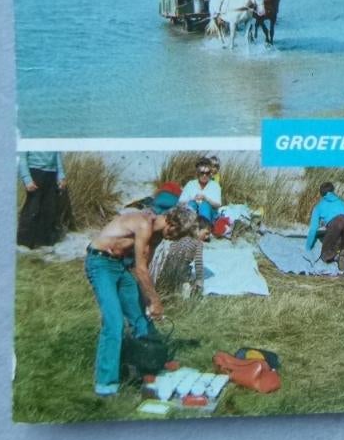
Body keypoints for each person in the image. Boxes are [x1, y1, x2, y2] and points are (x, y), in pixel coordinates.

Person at [84, 204, 197, 396]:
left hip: (119, 266)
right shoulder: (144, 224)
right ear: (172, 223)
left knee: (141, 319)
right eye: (176, 234)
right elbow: (140, 269)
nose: (174, 239)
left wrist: (147, 302)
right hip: (100, 262)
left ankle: (149, 366)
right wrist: (156, 301)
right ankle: (106, 385)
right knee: (114, 323)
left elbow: (144, 271)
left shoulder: (158, 236)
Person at [17, 152, 66, 249]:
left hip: (52, 173)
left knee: (50, 209)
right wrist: (27, 179)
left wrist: (61, 176)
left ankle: (44, 244)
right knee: (32, 209)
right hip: (35, 172)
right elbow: (23, 159)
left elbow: (57, 155)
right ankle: (23, 244)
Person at [305, 181, 344, 273]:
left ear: (321, 194)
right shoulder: (342, 202)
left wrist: (308, 247)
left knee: (325, 254)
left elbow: (313, 229)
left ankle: (335, 257)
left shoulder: (318, 206)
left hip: (335, 223)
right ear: (333, 191)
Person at [178, 157, 222, 224]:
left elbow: (218, 204)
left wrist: (206, 199)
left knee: (204, 205)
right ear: (197, 172)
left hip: (209, 215)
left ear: (210, 173)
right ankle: (188, 228)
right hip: (192, 213)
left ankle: (204, 229)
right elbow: (180, 202)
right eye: (202, 173)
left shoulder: (215, 186)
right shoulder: (190, 184)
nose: (204, 175)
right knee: (191, 204)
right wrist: (193, 199)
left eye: (207, 173)